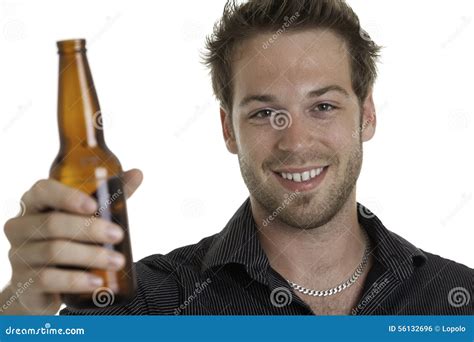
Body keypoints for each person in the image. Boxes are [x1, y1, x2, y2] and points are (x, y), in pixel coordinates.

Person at [1, 0, 472, 315]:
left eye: (323, 106)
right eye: (266, 113)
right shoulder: (151, 306)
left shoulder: (459, 302)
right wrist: (19, 312)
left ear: (366, 115)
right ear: (228, 129)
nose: (295, 141)